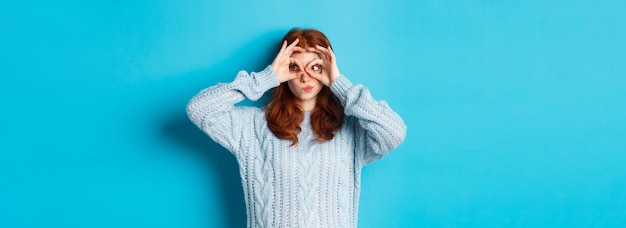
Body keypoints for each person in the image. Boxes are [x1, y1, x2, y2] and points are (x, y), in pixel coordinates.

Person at [187, 28, 407, 228]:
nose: (305, 76)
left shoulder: (350, 131)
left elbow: (394, 131)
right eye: (294, 67)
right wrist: (266, 78)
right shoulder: (253, 126)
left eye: (315, 67)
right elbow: (199, 109)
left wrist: (339, 83)